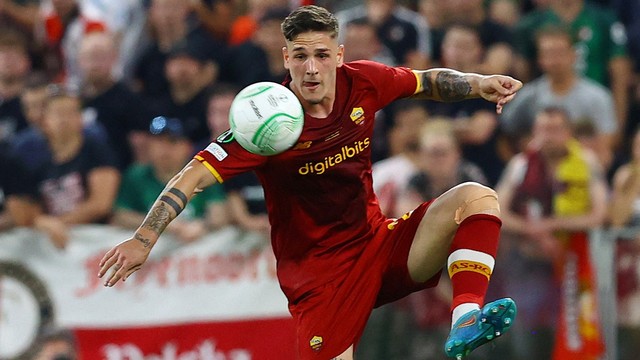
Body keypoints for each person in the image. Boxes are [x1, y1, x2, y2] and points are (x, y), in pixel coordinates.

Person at [98, 5, 522, 359]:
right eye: (300, 56)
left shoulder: (364, 82)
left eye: (321, 55)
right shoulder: (264, 124)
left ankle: (465, 319)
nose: (311, 67)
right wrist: (144, 238)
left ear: (338, 55)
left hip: (377, 245)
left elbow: (428, 82)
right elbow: (191, 175)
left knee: (476, 197)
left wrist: (478, 84)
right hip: (319, 281)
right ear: (286, 59)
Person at [495, 106, 608, 359]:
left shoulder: (586, 161)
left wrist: (553, 225)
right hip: (527, 265)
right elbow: (497, 210)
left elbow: (599, 214)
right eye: (543, 129)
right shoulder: (521, 164)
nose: (548, 135)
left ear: (568, 133)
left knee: (571, 335)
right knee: (528, 341)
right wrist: (533, 230)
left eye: (555, 129)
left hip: (572, 263)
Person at [112, 116, 228, 243]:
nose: (164, 149)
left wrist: (203, 225)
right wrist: (163, 225)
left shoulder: (203, 174)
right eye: (158, 142)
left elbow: (219, 214)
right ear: (149, 146)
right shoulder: (136, 176)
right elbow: (120, 216)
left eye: (172, 141)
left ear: (187, 147)